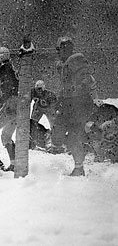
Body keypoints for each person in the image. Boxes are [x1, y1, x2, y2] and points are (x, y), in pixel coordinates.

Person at [50, 36, 101, 176]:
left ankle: (79, 167)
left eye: (60, 49)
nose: (58, 52)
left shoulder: (76, 60)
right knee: (60, 135)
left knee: (71, 136)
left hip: (78, 104)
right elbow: (65, 86)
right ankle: (83, 142)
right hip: (70, 103)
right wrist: (61, 98)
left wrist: (78, 87)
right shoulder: (64, 63)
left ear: (66, 49)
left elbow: (87, 78)